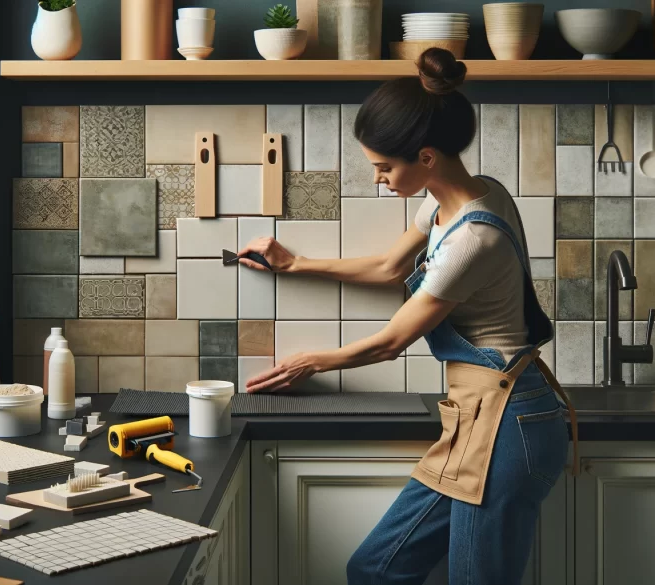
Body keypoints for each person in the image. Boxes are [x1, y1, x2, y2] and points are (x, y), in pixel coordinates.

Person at [237, 48, 578, 585]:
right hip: (477, 418)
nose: (378, 179)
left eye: (384, 167)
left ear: (425, 157)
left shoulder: (474, 237)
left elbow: (392, 340)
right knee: (375, 569)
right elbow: (391, 266)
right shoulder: (455, 203)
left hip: (508, 424)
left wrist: (311, 362)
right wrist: (295, 262)